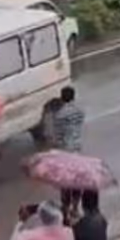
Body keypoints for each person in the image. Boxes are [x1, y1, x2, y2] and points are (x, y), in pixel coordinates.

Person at [48, 87, 85, 219]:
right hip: (77, 151)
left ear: (62, 98)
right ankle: (75, 207)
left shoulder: (59, 115)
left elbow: (57, 137)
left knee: (65, 184)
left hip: (64, 153)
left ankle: (65, 209)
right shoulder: (80, 111)